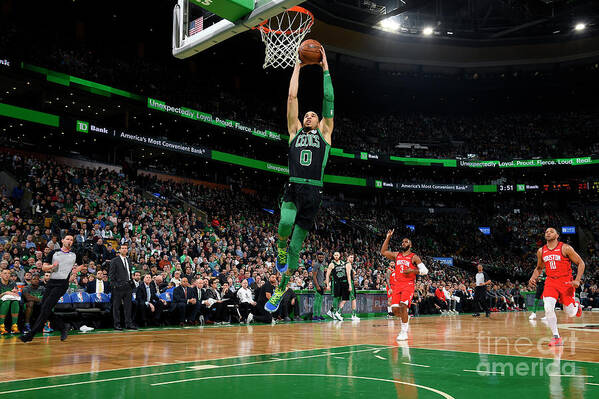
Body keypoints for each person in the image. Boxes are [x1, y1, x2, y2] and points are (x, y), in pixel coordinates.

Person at [266, 47, 335, 313]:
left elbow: (328, 100)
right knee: (284, 222)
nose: (308, 115)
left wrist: (325, 68)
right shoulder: (294, 131)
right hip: (294, 185)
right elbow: (292, 96)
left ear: (319, 122)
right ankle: (279, 247)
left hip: (314, 192)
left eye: (313, 115)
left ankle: (281, 286)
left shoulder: (325, 134)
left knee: (297, 247)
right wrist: (297, 66)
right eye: (305, 114)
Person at [20, 234, 85, 342]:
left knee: (45, 308)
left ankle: (31, 335)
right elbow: (44, 267)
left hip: (62, 284)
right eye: (67, 239)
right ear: (62, 240)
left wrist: (75, 271)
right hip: (51, 283)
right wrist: (51, 266)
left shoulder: (74, 254)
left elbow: (83, 265)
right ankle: (63, 326)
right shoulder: (54, 253)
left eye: (71, 240)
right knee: (43, 307)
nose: (69, 241)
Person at [529, 227, 584, 346]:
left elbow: (581, 263)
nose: (548, 233)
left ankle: (576, 305)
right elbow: (539, 268)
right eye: (546, 232)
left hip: (566, 282)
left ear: (557, 235)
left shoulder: (565, 248)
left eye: (551, 231)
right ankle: (556, 337)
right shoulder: (541, 251)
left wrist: (577, 280)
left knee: (569, 312)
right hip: (550, 282)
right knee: (548, 307)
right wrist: (533, 277)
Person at [381, 230, 428, 341]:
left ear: (410, 245)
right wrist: (388, 237)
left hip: (408, 285)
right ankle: (405, 318)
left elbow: (425, 271)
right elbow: (383, 252)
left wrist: (413, 270)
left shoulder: (414, 257)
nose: (403, 243)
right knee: (395, 311)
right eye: (402, 242)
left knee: (403, 306)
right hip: (397, 285)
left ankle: (403, 332)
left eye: (406, 242)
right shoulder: (397, 255)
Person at [109, 243, 137, 330]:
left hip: (128, 286)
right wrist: (115, 285)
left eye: (125, 248)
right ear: (119, 250)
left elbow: (129, 273)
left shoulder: (128, 260)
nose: (124, 250)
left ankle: (128, 324)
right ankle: (117, 324)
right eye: (122, 248)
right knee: (116, 307)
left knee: (128, 306)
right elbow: (111, 275)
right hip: (118, 287)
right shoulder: (114, 260)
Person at [325, 252, 352, 321]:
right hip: (336, 283)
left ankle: (331, 311)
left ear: (340, 256)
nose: (336, 256)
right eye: (335, 255)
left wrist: (349, 284)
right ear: (333, 256)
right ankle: (334, 312)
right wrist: (327, 285)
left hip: (343, 283)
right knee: (336, 297)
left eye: (337, 255)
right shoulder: (331, 264)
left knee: (340, 298)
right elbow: (327, 275)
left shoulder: (343, 263)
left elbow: (348, 274)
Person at [0, 268, 20, 334]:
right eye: (5, 273)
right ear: (1, 274)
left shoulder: (12, 283)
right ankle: (1, 326)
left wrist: (15, 292)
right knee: (7, 302)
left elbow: (17, 294)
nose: (7, 275)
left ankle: (14, 326)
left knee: (15, 302)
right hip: (2, 301)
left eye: (9, 273)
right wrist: (5, 293)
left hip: (9, 301)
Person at [311, 252, 327, 321]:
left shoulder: (322, 264)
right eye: (320, 257)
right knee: (317, 301)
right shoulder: (316, 265)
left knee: (320, 301)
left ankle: (319, 314)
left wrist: (324, 285)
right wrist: (317, 286)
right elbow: (314, 276)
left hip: (321, 284)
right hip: (317, 285)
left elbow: (321, 276)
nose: (321, 258)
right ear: (317, 257)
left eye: (322, 257)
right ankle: (315, 315)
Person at [346, 255, 360, 321]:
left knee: (343, 298)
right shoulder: (348, 264)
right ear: (347, 258)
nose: (352, 259)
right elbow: (348, 275)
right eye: (351, 257)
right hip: (349, 283)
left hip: (347, 282)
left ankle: (335, 312)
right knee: (353, 298)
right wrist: (350, 285)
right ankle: (353, 315)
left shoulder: (345, 264)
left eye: (353, 257)